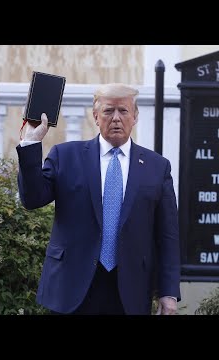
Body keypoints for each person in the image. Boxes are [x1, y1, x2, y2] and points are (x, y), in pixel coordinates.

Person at [17, 83, 180, 315]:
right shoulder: (65, 156)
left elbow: (168, 235)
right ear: (95, 116)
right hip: (71, 287)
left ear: (135, 116)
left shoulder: (157, 167)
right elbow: (32, 198)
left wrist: (168, 292)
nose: (116, 118)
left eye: (123, 111)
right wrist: (31, 143)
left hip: (130, 290)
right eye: (108, 111)